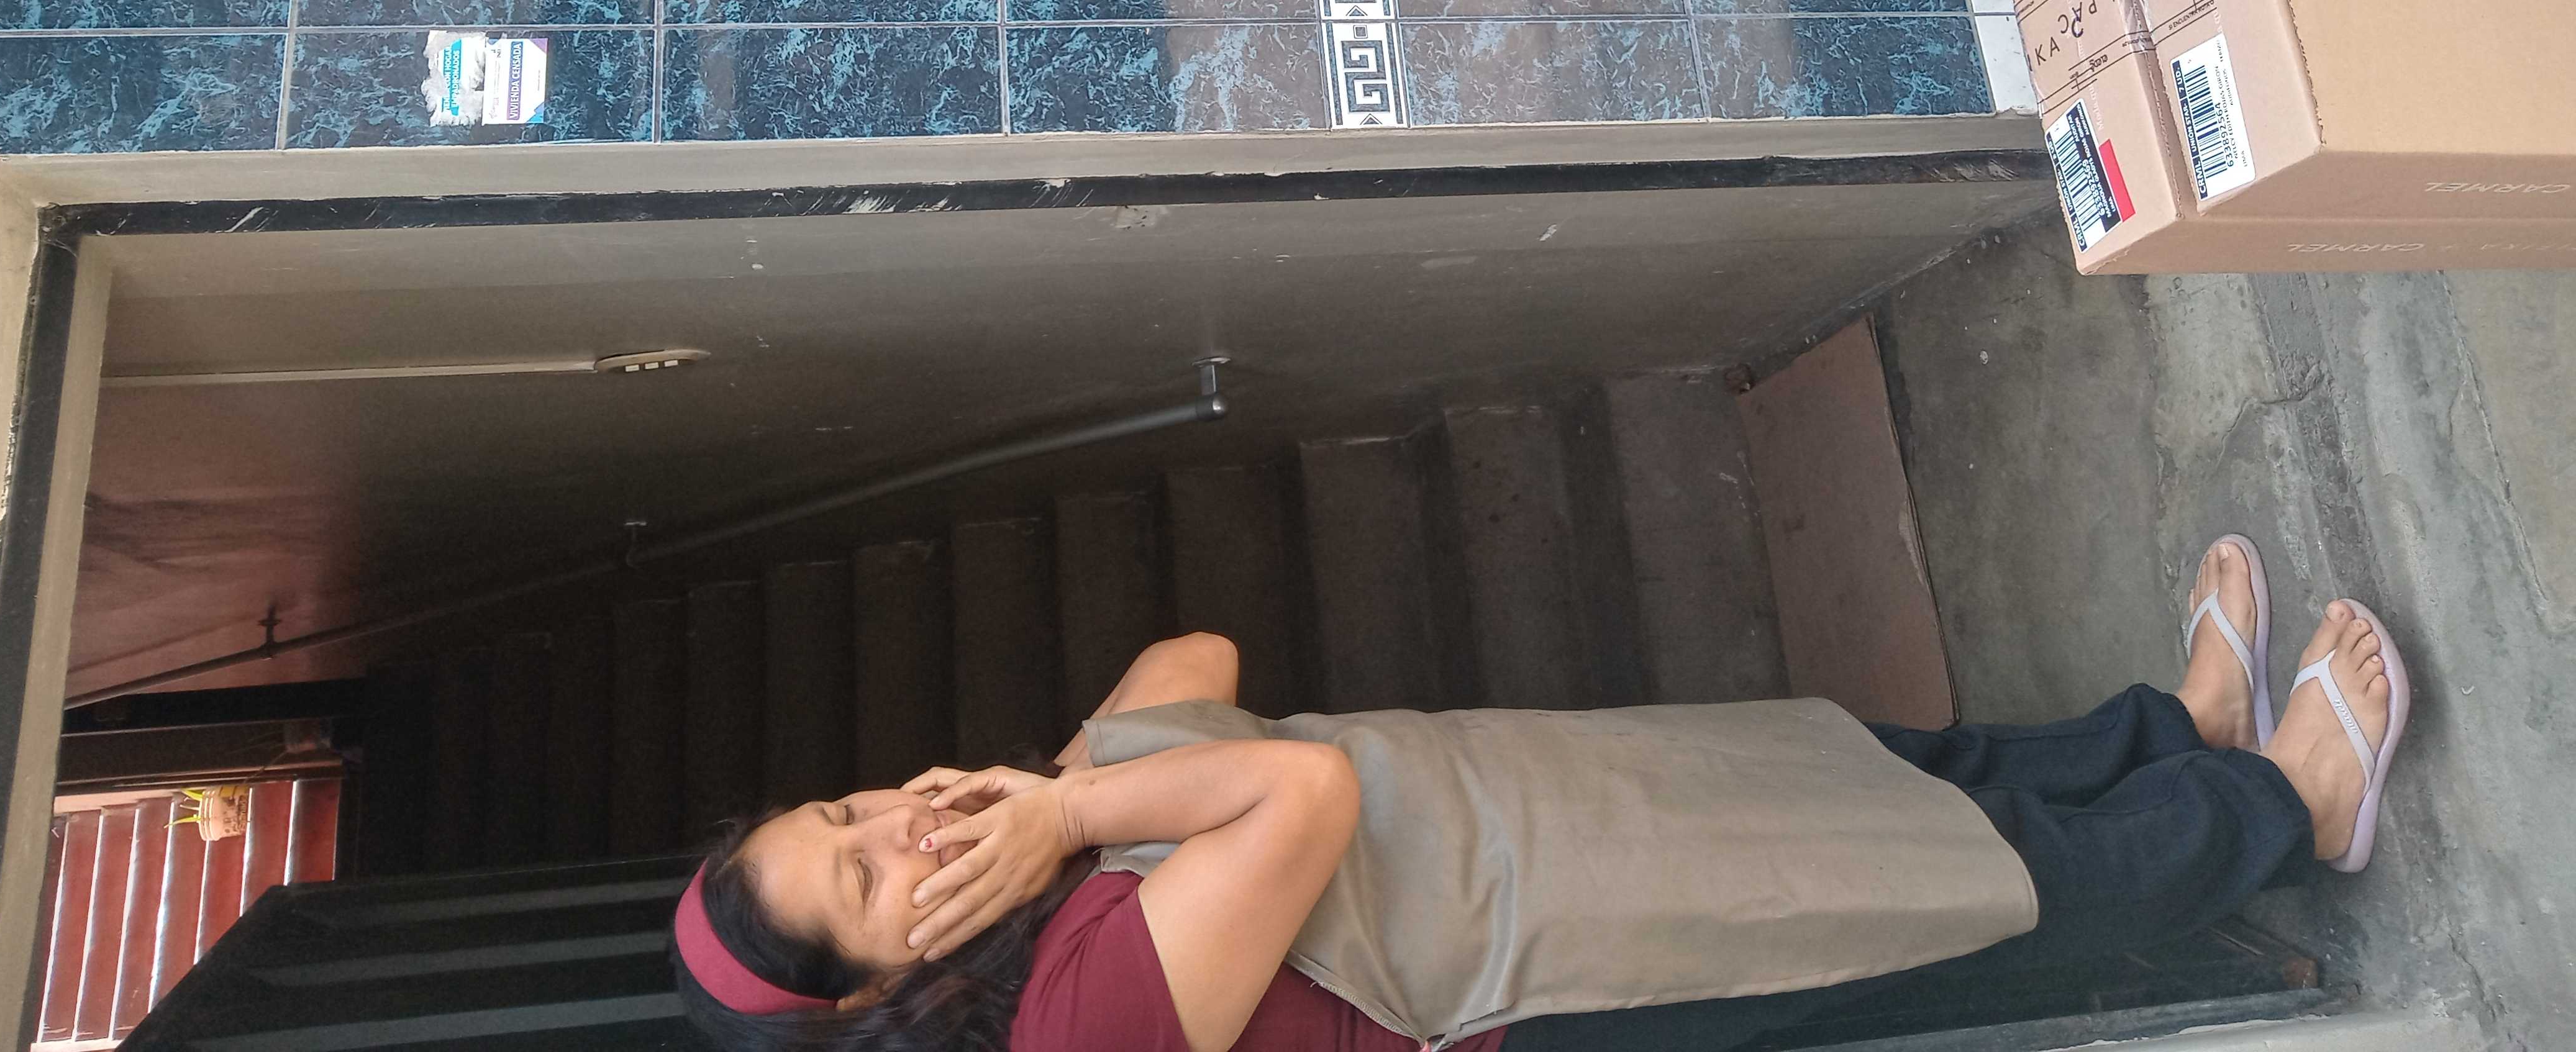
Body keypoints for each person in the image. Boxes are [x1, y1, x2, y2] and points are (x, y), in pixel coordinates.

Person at [671, 535, 2409, 1052]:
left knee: (1857, 776)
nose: (892, 829)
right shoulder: (1071, 1024)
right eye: (864, 883)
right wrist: (1066, 814)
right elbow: (1292, 797)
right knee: (1934, 899)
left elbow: (1194, 653)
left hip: (1539, 809)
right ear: (881, 998)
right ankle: (2284, 816)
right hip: (1572, 958)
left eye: (844, 814)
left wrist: (1055, 797)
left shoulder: (1043, 847)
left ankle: (2170, 738)